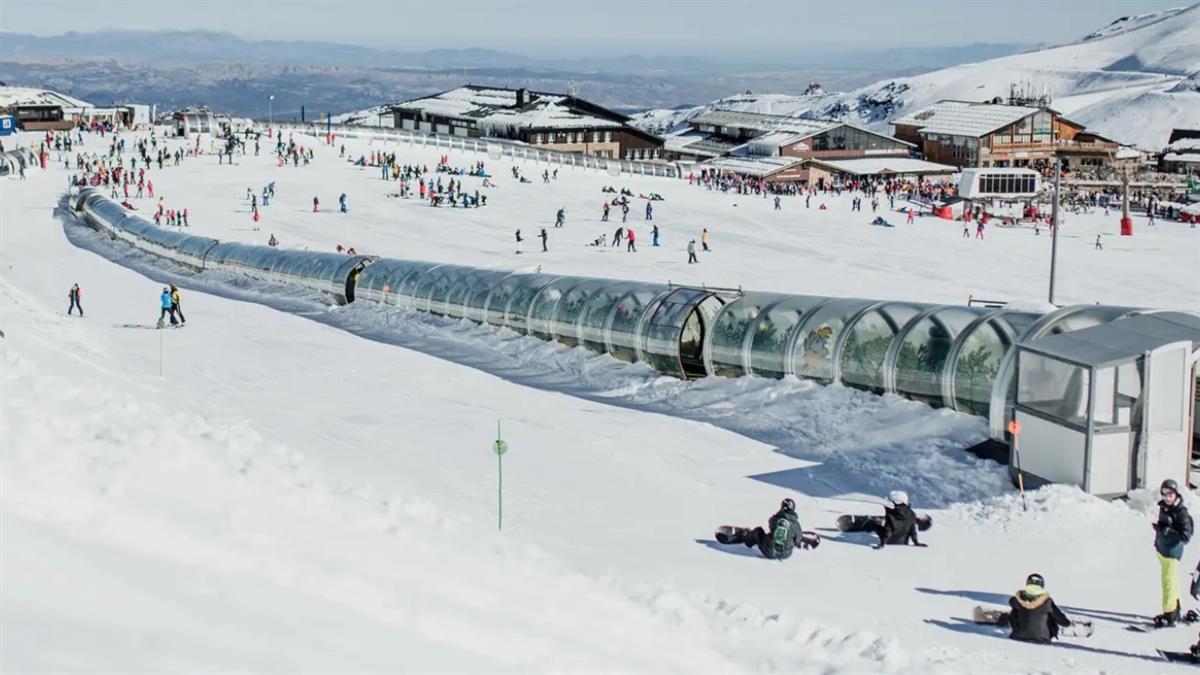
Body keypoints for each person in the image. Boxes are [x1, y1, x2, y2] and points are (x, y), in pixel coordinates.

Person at [719, 498, 815, 560]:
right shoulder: (795, 524)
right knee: (793, 538)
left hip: (769, 551)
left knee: (758, 531)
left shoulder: (775, 519)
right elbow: (798, 539)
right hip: (786, 554)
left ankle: (747, 538)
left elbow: (770, 524)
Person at [1155, 478, 1193, 626]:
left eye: (1170, 494)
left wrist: (1167, 531)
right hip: (1163, 550)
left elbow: (1186, 535)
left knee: (1168, 583)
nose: (1167, 497)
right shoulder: (1164, 507)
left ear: (1176, 494)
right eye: (1164, 494)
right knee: (1173, 581)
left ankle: (1169, 614)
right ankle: (1176, 610)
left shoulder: (1180, 512)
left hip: (1172, 553)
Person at [1003, 574, 1072, 643]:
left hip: (1017, 636)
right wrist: (1067, 623)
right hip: (1042, 638)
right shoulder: (1047, 601)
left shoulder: (1017, 599)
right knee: (1051, 614)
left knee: (1015, 610)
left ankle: (1018, 631)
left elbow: (1011, 606)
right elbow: (1063, 622)